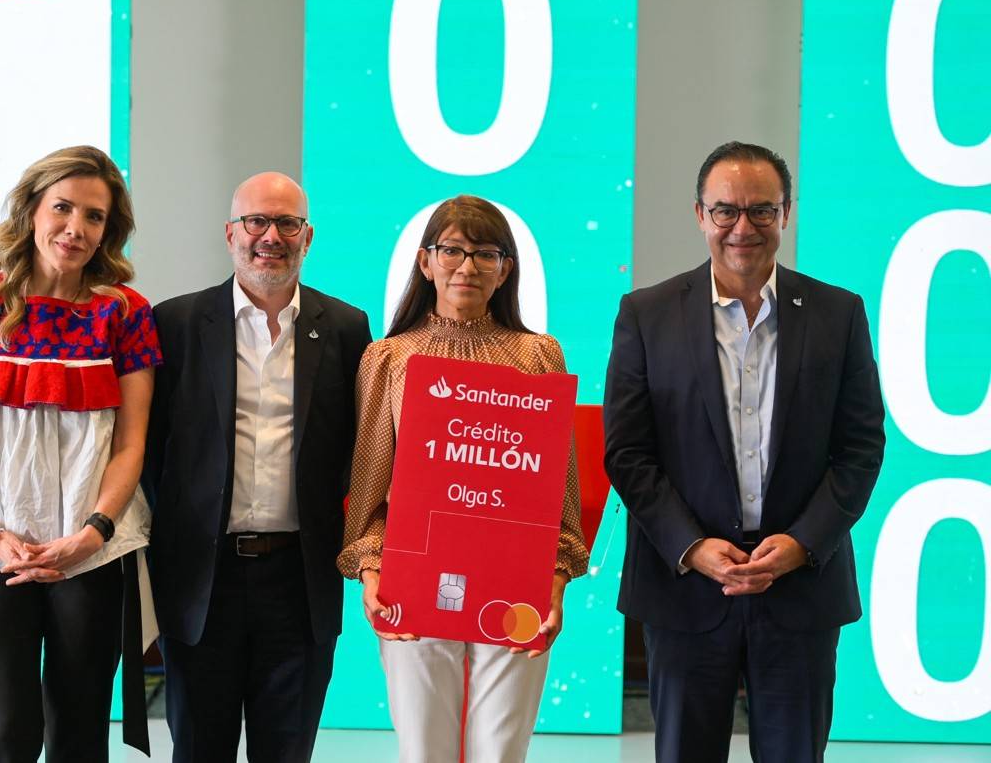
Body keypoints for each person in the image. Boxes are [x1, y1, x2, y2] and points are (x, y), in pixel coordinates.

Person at [603, 141, 886, 763]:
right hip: (684, 587)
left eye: (762, 210)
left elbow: (860, 448)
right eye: (726, 210)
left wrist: (804, 543)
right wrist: (691, 547)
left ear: (786, 214)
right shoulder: (646, 314)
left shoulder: (839, 314)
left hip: (800, 587)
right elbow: (627, 452)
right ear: (699, 215)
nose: (743, 227)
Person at [0, 145, 160, 762]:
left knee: (80, 730)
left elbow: (131, 442)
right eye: (62, 208)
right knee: (5, 730)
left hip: (92, 548)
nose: (75, 229)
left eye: (94, 216)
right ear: (31, 210)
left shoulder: (125, 314)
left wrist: (92, 533)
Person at [339, 195, 589, 763]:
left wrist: (556, 574)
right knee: (424, 752)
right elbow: (372, 482)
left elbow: (560, 487)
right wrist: (371, 566)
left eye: (486, 253)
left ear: (506, 269)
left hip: (516, 581)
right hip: (413, 580)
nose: (467, 266)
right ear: (426, 262)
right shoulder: (389, 357)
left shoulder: (539, 356)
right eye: (452, 249)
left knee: (500, 753)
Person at [141, 171, 372, 762]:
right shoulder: (175, 325)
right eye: (256, 222)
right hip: (202, 581)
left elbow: (360, 448)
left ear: (308, 237)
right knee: (199, 750)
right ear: (230, 233)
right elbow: (148, 452)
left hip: (300, 582)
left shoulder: (347, 329)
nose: (271, 236)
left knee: (287, 752)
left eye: (287, 223)